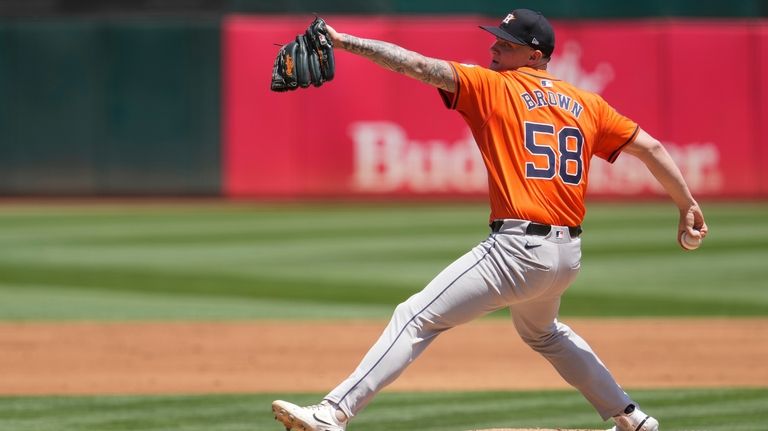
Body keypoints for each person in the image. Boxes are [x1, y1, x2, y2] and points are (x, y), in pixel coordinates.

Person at [272, 9, 708, 431]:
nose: (495, 47)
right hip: (566, 256)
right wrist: (686, 203)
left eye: (508, 43)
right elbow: (650, 147)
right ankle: (632, 419)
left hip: (517, 250)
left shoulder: (494, 87)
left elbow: (418, 66)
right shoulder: (586, 104)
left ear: (535, 54)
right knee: (544, 334)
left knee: (415, 317)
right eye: (497, 38)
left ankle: (333, 414)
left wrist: (344, 41)